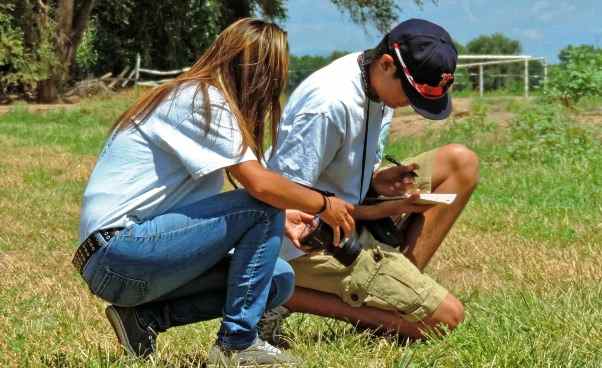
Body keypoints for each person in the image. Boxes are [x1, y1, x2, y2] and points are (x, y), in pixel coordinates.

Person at [73, 18, 354, 366]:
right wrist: (324, 204)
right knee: (263, 205)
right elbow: (261, 186)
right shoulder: (200, 99)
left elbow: (195, 207)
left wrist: (282, 221)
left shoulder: (202, 99)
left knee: (278, 278)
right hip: (118, 252)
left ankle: (142, 320)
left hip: (124, 258)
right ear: (259, 72)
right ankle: (236, 346)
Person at [262, 19, 479, 343]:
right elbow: (286, 204)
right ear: (387, 63)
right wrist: (381, 211)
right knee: (443, 319)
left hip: (348, 209)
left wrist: (378, 182)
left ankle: (389, 294)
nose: (411, 106)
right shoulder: (329, 104)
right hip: (304, 239)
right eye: (410, 95)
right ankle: (279, 292)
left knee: (461, 163)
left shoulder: (377, 85)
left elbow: (342, 169)